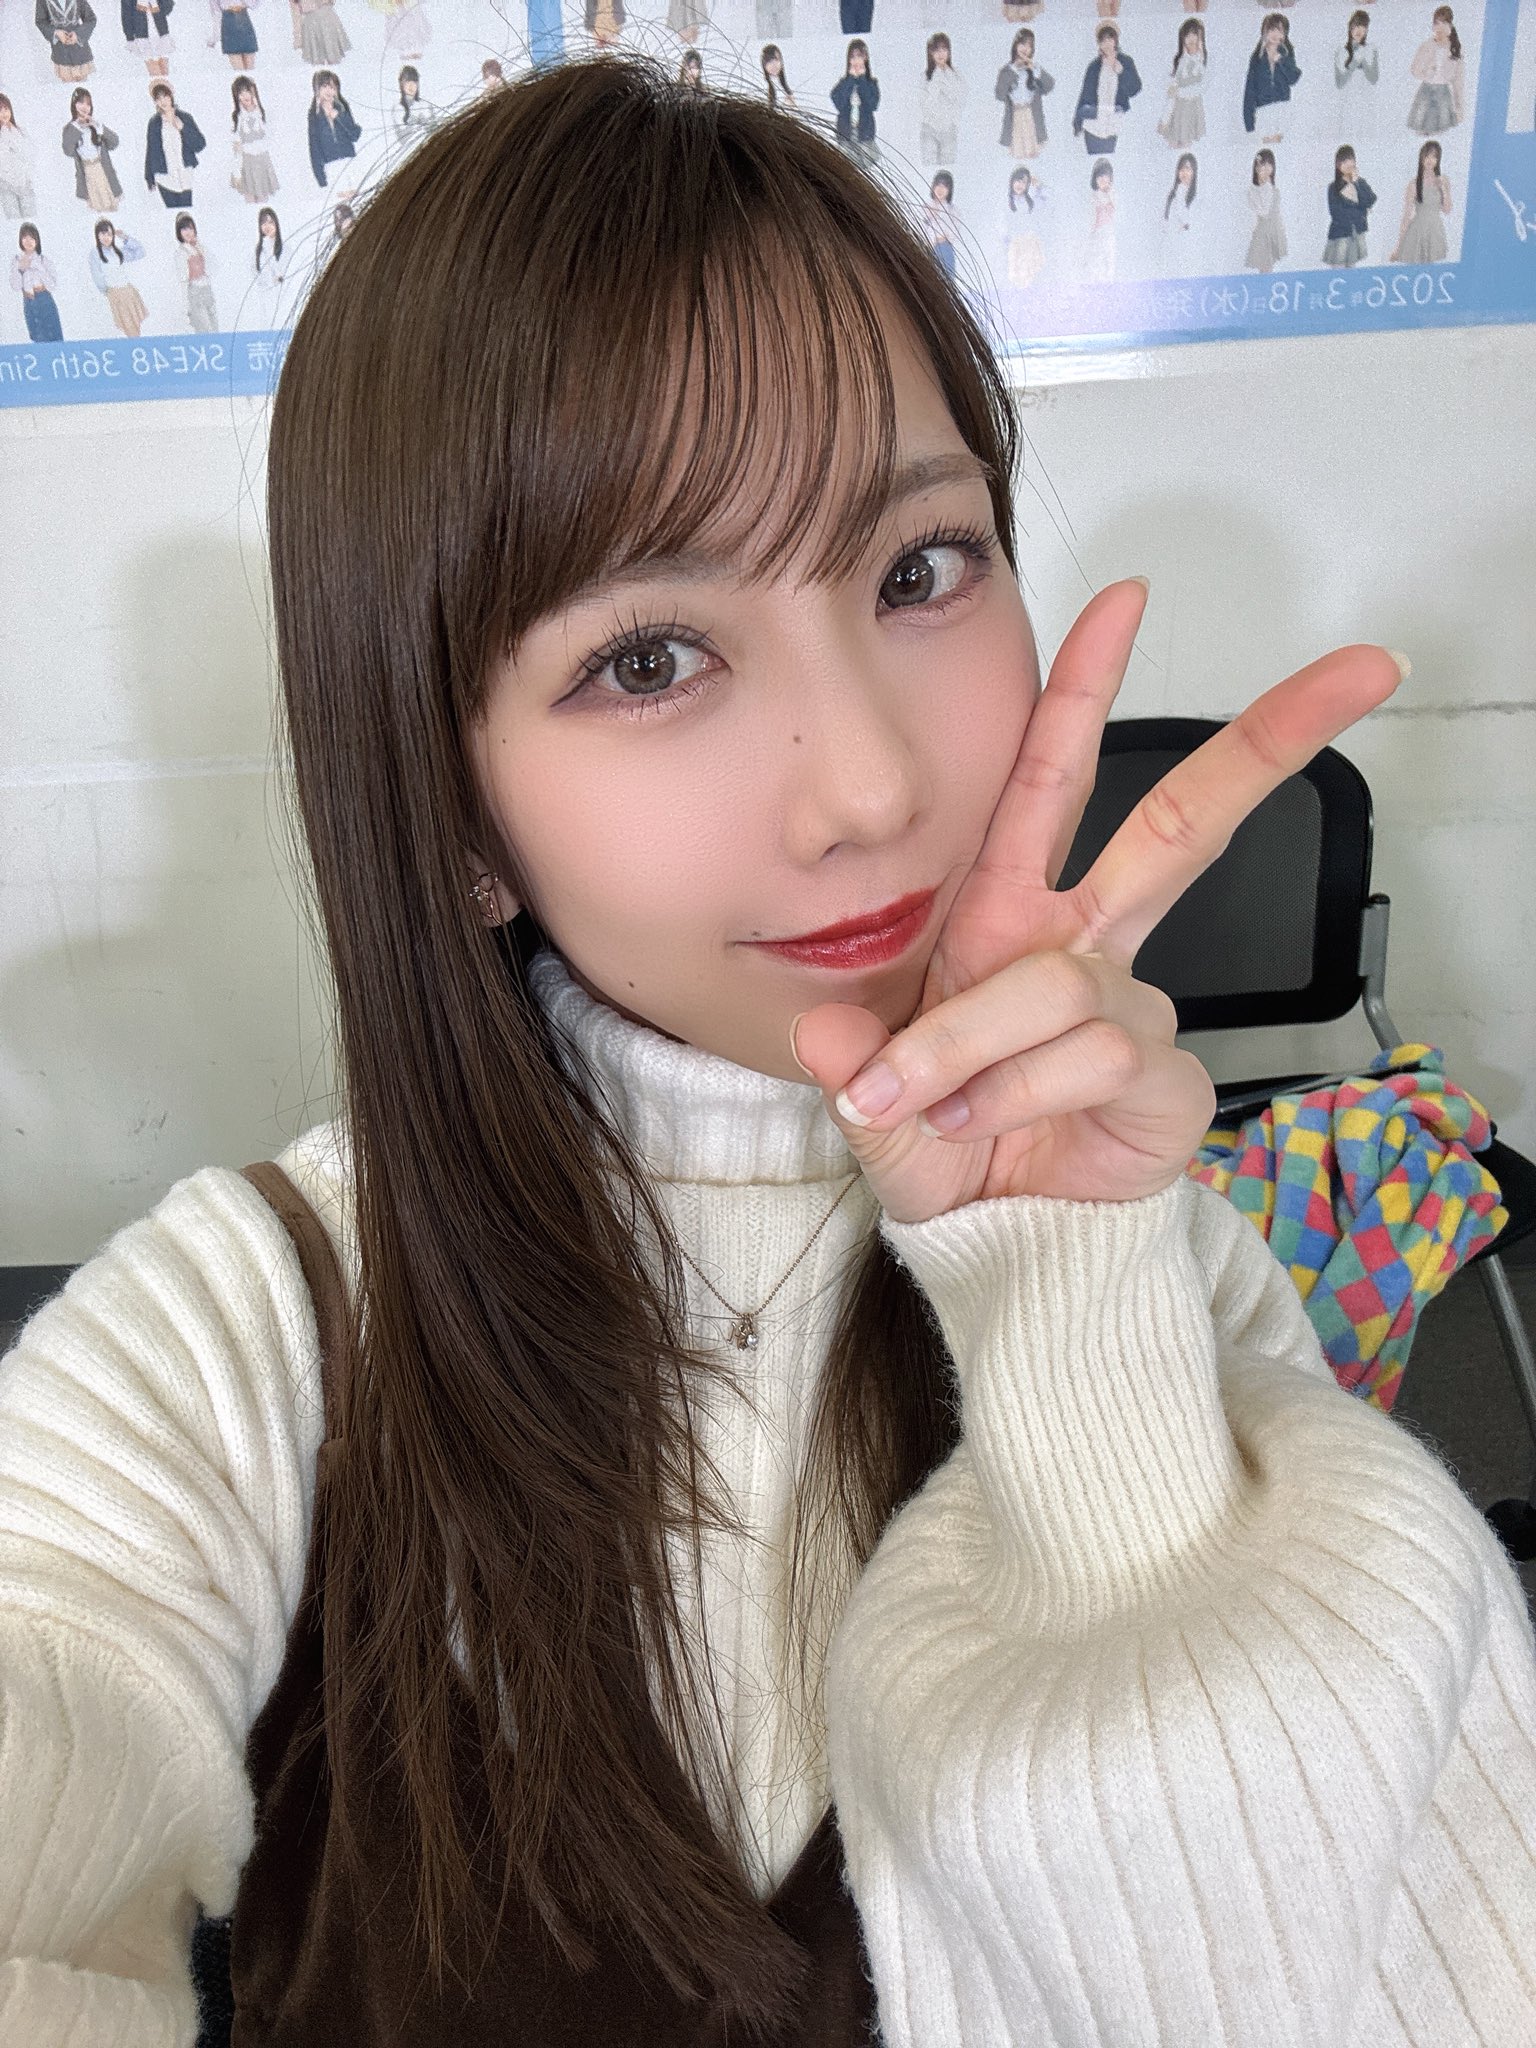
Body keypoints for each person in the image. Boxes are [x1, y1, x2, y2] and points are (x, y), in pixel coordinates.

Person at [2, 52, 1535, 2048]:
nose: (873, 784)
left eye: (919, 567)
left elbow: (1372, 1974)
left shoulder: (1166, 1266)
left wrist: (1069, 1307)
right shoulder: (242, 1338)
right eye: (648, 657)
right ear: (453, 818)